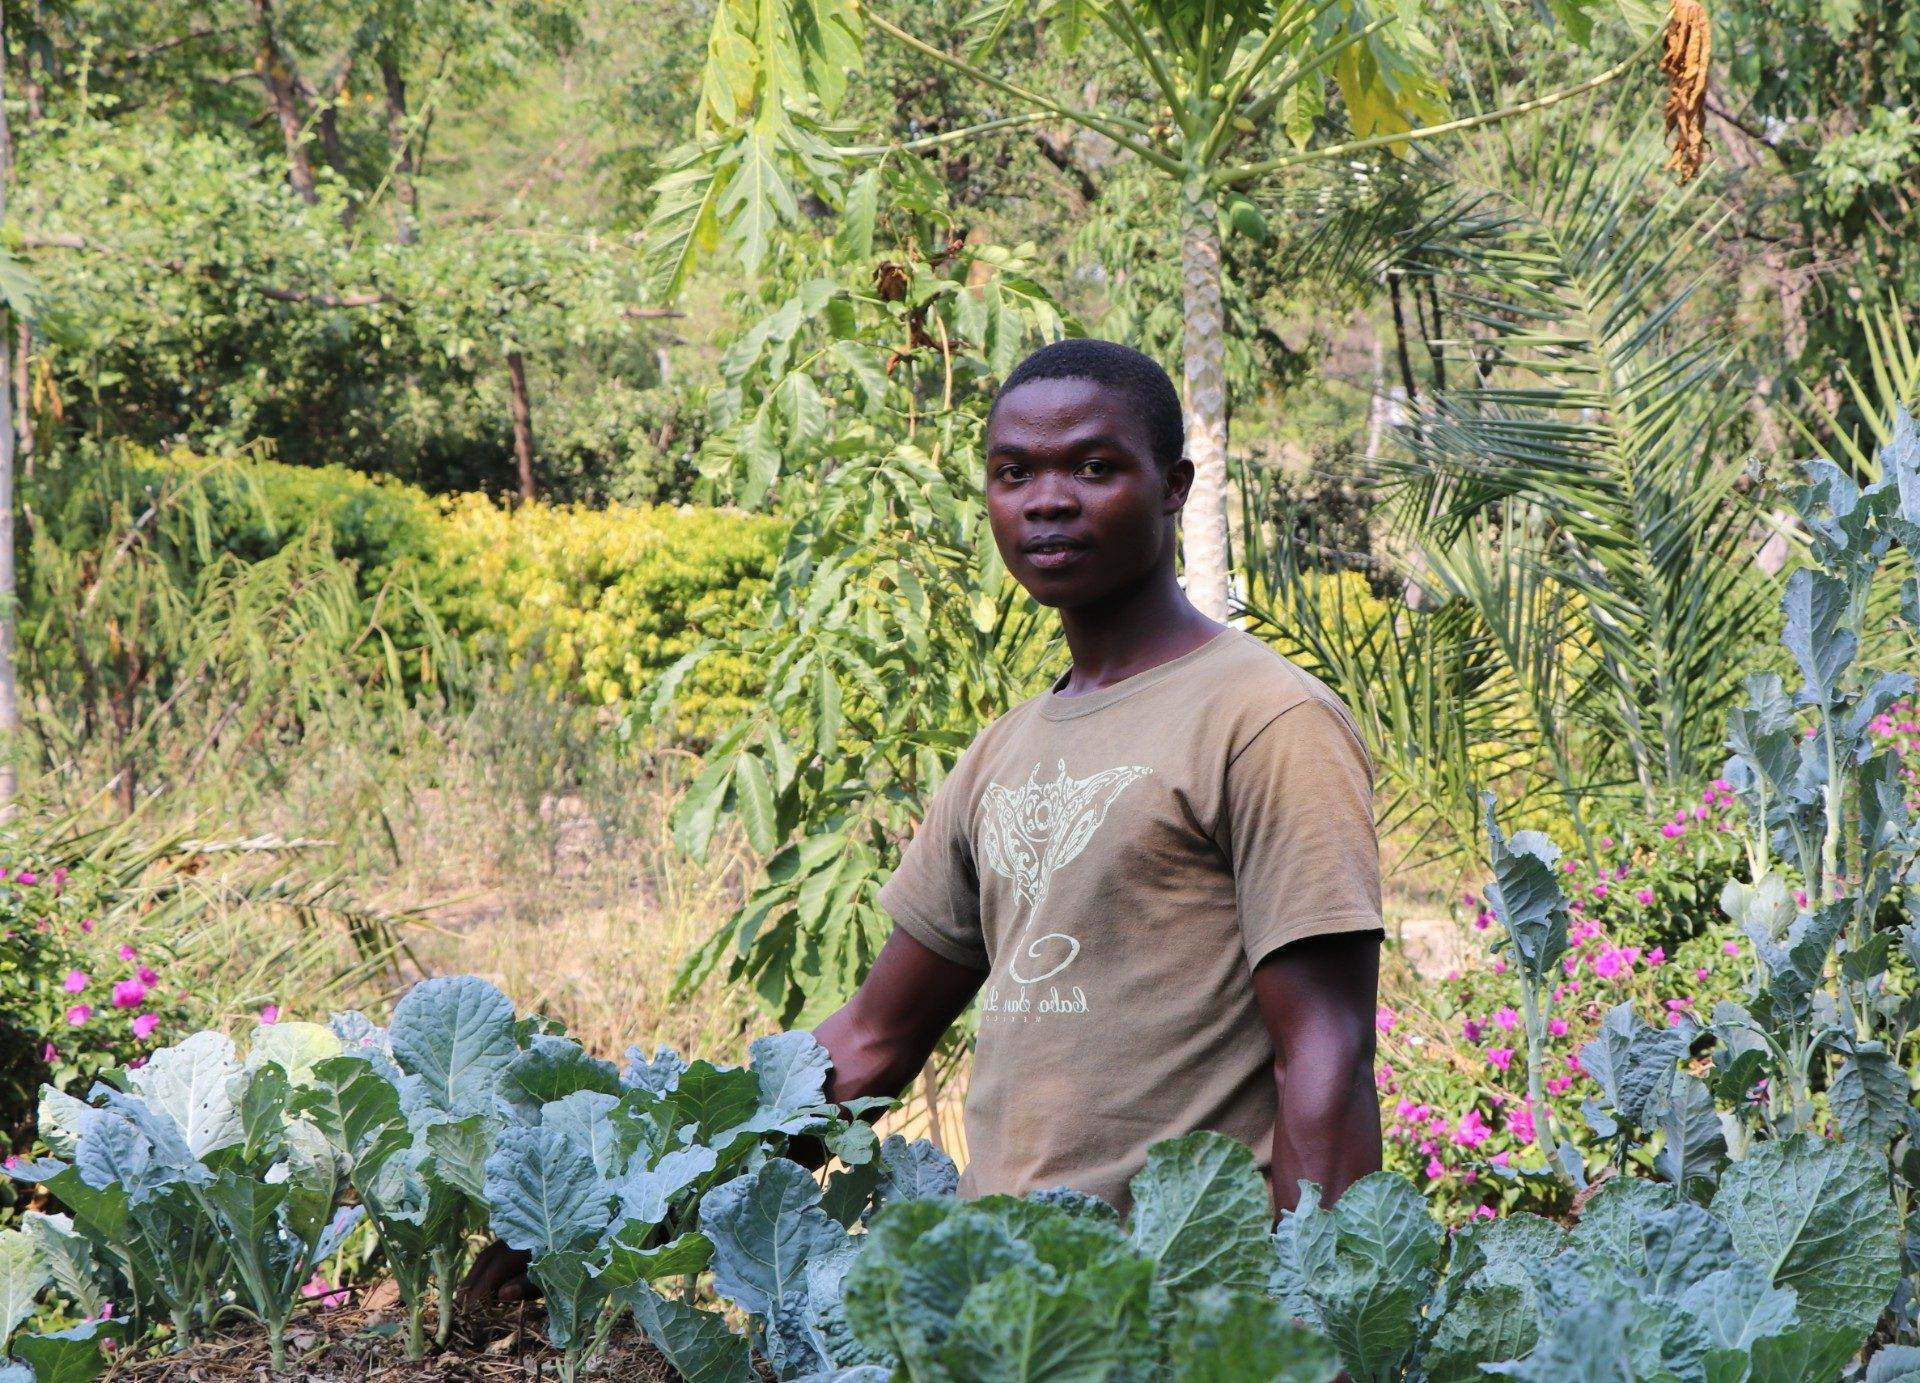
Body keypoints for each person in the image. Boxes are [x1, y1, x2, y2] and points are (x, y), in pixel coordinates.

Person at [463, 337, 1382, 1305]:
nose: (1047, 500)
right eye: (1013, 473)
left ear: (1173, 487)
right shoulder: (1004, 750)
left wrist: (1308, 1326)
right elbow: (875, 1038)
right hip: (999, 1307)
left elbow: (1326, 1055)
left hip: (1177, 1307)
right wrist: (620, 1213)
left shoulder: (1266, 719)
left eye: (1093, 467)